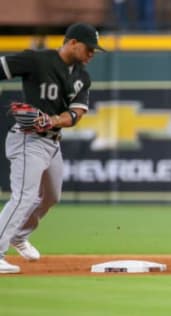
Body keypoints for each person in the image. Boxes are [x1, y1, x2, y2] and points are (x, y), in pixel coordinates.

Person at [0, 22, 105, 273]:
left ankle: (19, 235)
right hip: (28, 139)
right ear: (72, 43)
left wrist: (54, 120)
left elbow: (77, 113)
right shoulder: (36, 60)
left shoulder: (82, 77)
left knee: (51, 197)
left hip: (52, 142)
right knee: (25, 196)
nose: (92, 54)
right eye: (89, 49)